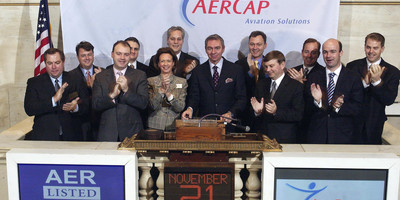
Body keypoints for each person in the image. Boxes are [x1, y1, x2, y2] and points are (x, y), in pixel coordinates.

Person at [182, 34, 246, 131]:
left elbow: (242, 99)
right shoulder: (198, 71)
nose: (213, 52)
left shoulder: (235, 70)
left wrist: (231, 113)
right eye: (209, 48)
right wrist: (190, 109)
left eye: (217, 48)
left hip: (230, 126)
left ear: (223, 49)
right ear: (205, 49)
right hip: (205, 125)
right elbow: (194, 97)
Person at [306, 39, 363, 144]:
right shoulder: (314, 76)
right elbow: (305, 107)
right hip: (317, 137)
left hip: (343, 137)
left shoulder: (353, 77)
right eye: (325, 52)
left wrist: (340, 107)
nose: (328, 56)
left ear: (340, 53)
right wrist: (318, 101)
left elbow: (358, 108)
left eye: (333, 51)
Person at [24, 48, 89, 141]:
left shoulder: (76, 79)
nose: (54, 67)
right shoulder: (34, 83)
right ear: (45, 64)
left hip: (72, 138)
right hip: (45, 138)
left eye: (57, 63)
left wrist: (75, 107)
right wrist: (53, 100)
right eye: (50, 63)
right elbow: (29, 109)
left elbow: (86, 105)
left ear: (63, 62)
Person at [347, 33, 400, 144]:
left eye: (375, 48)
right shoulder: (352, 66)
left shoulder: (392, 72)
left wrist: (377, 82)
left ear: (382, 49)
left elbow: (389, 99)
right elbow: (347, 94)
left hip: (374, 126)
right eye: (368, 47)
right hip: (351, 124)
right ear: (364, 47)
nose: (371, 51)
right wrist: (364, 83)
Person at [92, 41, 148, 141]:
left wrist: (126, 90)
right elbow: (95, 105)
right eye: (119, 54)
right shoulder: (101, 77)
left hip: (132, 133)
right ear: (112, 54)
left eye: (126, 54)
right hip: (107, 132)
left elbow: (143, 103)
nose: (122, 58)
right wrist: (111, 96)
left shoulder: (140, 75)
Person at [250, 51, 304, 143]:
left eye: (271, 66)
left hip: (284, 139)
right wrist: (257, 112)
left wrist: (276, 112)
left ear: (282, 65)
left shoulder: (295, 86)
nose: (268, 70)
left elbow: (298, 114)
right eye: (266, 66)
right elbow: (253, 113)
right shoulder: (261, 84)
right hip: (263, 138)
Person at [287, 38, 325, 143]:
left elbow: (320, 102)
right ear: (302, 52)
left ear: (318, 54)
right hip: (293, 126)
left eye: (313, 53)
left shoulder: (324, 73)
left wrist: (301, 84)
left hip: (313, 126)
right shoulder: (291, 72)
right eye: (306, 52)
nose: (309, 56)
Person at [69, 41, 102, 141]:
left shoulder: (103, 73)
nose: (87, 58)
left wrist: (99, 82)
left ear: (93, 55)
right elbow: (74, 99)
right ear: (78, 57)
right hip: (80, 125)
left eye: (89, 55)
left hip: (100, 125)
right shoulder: (70, 76)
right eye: (83, 55)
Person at [147, 47, 187, 131]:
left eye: (168, 61)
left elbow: (180, 107)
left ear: (173, 63)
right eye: (162, 61)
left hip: (174, 126)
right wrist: (161, 92)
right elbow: (152, 106)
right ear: (158, 64)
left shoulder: (182, 82)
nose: (165, 64)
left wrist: (169, 95)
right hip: (154, 126)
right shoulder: (150, 81)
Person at [235, 31, 268, 131]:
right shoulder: (238, 65)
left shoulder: (271, 64)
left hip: (266, 116)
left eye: (259, 44)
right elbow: (239, 89)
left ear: (265, 45)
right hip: (244, 116)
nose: (255, 47)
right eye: (252, 44)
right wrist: (250, 72)